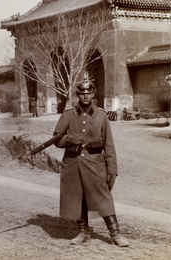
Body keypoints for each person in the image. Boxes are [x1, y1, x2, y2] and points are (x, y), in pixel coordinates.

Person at [53, 77, 129, 247]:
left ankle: (115, 234)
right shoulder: (67, 115)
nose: (86, 96)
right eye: (82, 93)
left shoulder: (102, 116)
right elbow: (56, 139)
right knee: (77, 197)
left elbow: (109, 144)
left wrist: (112, 170)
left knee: (103, 198)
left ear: (93, 94)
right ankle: (83, 232)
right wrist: (70, 138)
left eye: (89, 93)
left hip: (95, 163)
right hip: (74, 162)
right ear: (77, 95)